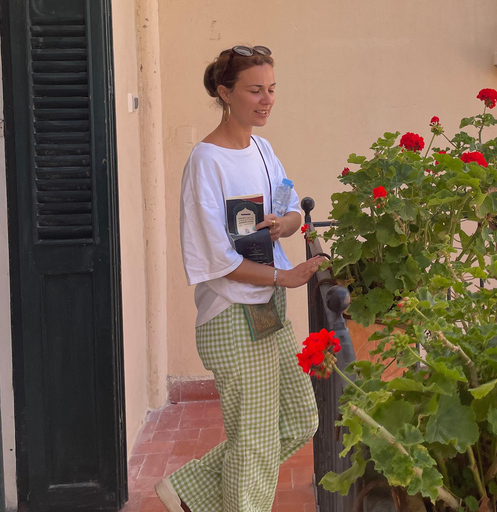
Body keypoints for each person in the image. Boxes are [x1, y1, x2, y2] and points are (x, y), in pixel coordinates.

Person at [155, 45, 325, 512]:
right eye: (255, 90)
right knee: (253, 442)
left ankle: (188, 491)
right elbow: (215, 258)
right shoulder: (206, 162)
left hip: (268, 310)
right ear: (225, 92)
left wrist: (286, 223)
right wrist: (284, 277)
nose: (266, 99)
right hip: (231, 314)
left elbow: (290, 203)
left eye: (271, 89)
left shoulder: (263, 149)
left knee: (299, 419)